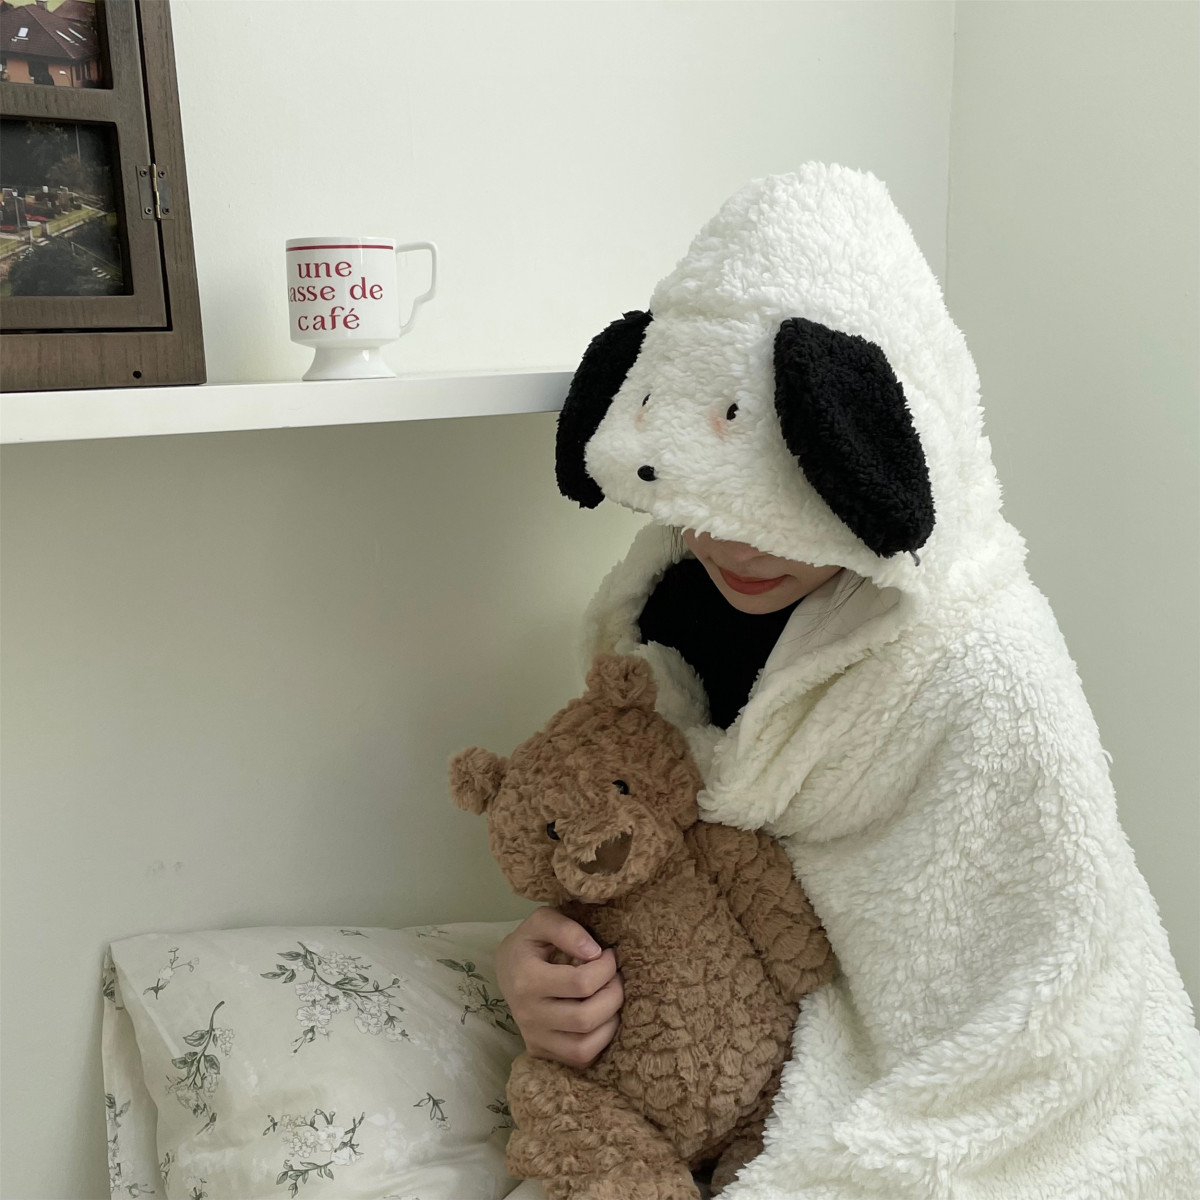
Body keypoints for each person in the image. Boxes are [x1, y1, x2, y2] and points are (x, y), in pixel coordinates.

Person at [496, 166, 1200, 1199]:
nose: (731, 543)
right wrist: (544, 967)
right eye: (707, 502)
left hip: (941, 1089)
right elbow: (634, 851)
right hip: (721, 1071)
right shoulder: (659, 621)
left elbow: (1055, 988)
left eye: (780, 506)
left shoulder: (986, 667)